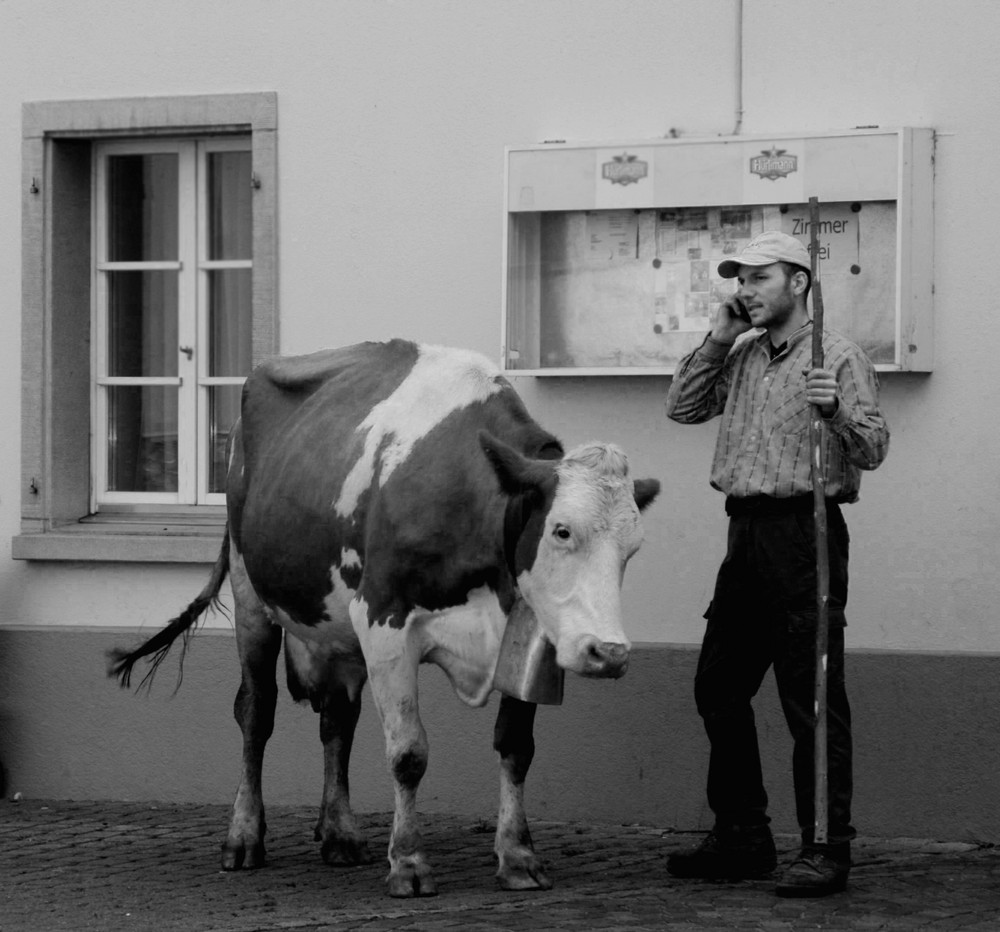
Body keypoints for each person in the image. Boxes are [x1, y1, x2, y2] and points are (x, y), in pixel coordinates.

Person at [663, 231, 889, 897]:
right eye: (739, 278)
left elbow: (873, 448)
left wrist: (836, 409)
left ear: (797, 281)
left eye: (758, 278)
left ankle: (825, 849)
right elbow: (682, 408)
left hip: (805, 535)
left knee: (811, 699)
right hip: (744, 536)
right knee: (718, 685)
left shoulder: (837, 355)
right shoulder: (741, 355)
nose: (744, 289)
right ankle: (743, 836)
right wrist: (718, 336)